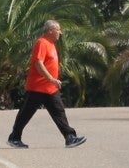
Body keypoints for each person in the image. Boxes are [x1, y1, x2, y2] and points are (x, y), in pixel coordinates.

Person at [6, 20, 85, 149]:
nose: (60, 33)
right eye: (58, 30)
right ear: (50, 31)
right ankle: (14, 138)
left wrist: (52, 81)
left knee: (59, 112)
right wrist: (51, 79)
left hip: (50, 89)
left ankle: (70, 137)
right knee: (25, 114)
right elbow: (38, 63)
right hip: (37, 87)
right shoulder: (41, 43)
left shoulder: (51, 44)